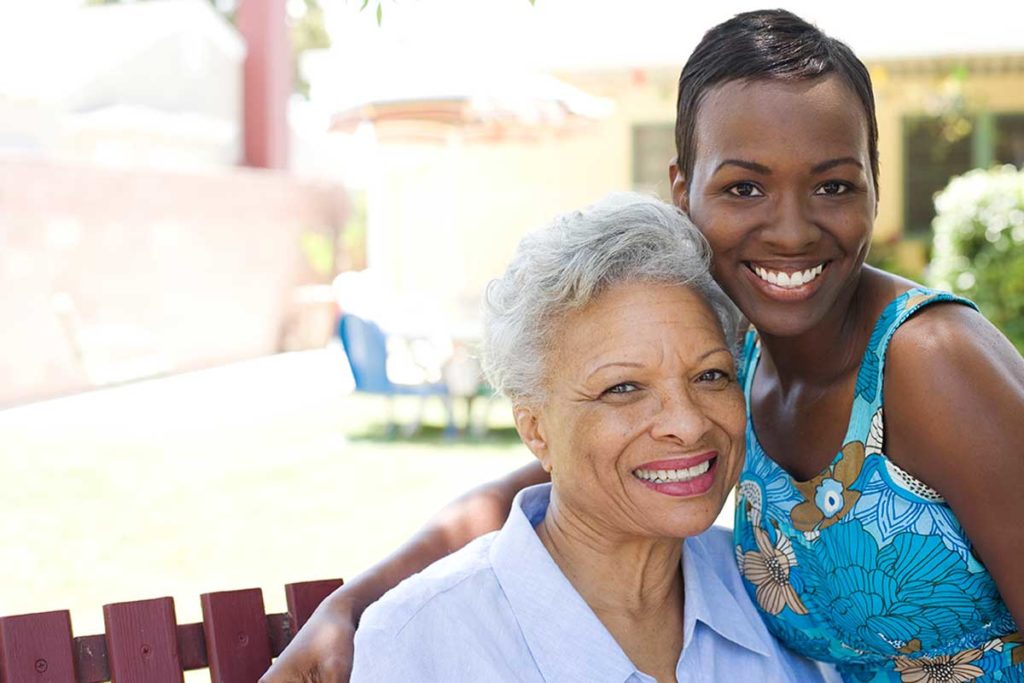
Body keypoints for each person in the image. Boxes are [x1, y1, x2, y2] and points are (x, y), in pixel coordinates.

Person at [261, 9, 1024, 683]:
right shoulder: (741, 365)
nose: (791, 229)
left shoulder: (928, 363)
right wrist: (351, 603)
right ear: (682, 189)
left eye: (833, 185)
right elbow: (545, 473)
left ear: (875, 187)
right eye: (744, 188)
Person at [350, 193, 834, 681]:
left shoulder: (786, 593)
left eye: (710, 375)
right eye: (623, 388)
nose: (687, 424)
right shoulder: (420, 645)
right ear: (535, 429)